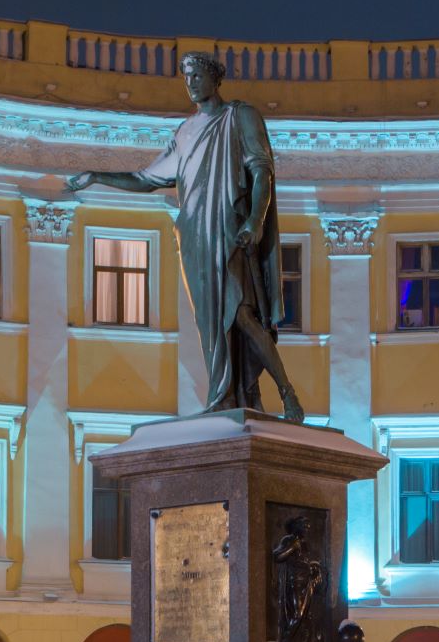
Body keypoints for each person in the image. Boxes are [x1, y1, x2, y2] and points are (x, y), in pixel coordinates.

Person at [65, 52, 304, 422]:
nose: (190, 83)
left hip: (229, 230)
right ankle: (226, 395)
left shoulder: (240, 116)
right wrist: (97, 176)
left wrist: (255, 221)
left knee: (241, 314)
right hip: (195, 238)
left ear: (215, 78)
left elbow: (261, 171)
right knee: (211, 326)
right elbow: (146, 179)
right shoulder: (185, 132)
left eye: (197, 75)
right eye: (186, 76)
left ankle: (287, 394)